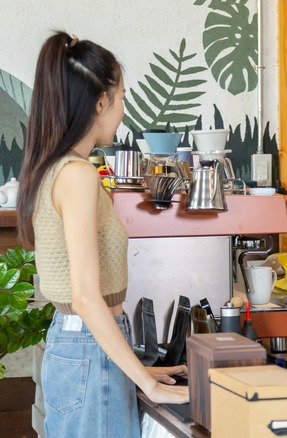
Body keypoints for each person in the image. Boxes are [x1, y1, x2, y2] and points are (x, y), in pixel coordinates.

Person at [16, 32, 188, 437]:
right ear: (100, 102)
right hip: (89, 351)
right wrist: (144, 382)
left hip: (82, 348)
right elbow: (86, 297)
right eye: (122, 97)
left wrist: (133, 367)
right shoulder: (78, 175)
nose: (123, 110)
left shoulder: (53, 167)